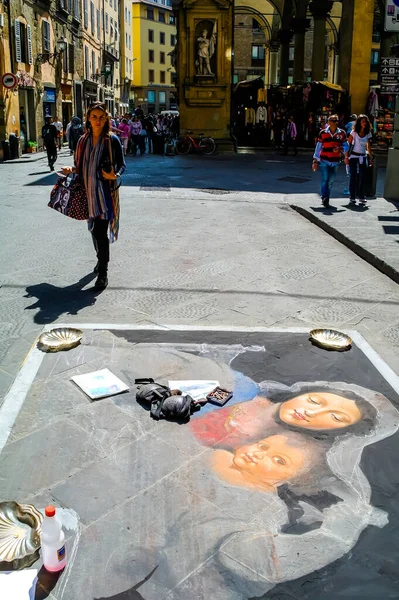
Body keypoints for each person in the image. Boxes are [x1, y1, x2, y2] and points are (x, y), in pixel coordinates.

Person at [190, 382, 377, 450]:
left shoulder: (280, 448)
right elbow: (180, 392)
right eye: (314, 401)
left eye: (336, 417)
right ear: (302, 394)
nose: (310, 412)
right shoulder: (244, 392)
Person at [61, 102, 126, 290]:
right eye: (94, 117)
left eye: (101, 117)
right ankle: (100, 260)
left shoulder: (111, 140)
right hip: (87, 193)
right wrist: (70, 169)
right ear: (88, 119)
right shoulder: (82, 141)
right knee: (94, 232)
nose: (97, 120)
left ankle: (103, 273)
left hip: (105, 195)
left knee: (99, 231)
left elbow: (122, 164)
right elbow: (80, 166)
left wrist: (115, 175)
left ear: (106, 118)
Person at [211, 433, 320, 493]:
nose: (259, 454)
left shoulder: (262, 499)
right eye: (262, 446)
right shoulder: (218, 456)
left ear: (293, 479)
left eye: (279, 460)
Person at [312, 114, 348, 207]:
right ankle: (325, 197)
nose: (335, 122)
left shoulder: (342, 133)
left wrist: (340, 149)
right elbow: (318, 147)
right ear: (328, 122)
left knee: (331, 180)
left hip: (335, 161)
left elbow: (346, 145)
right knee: (325, 179)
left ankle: (326, 196)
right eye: (333, 121)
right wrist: (315, 161)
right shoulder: (323, 133)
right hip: (324, 160)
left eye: (336, 121)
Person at [344, 114, 373, 206]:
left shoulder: (368, 133)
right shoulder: (354, 132)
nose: (364, 123)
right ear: (359, 123)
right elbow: (347, 144)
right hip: (353, 157)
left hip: (362, 156)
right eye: (363, 121)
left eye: (366, 121)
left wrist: (371, 157)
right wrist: (346, 156)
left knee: (362, 177)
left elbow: (368, 146)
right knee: (353, 177)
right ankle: (352, 197)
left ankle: (361, 196)